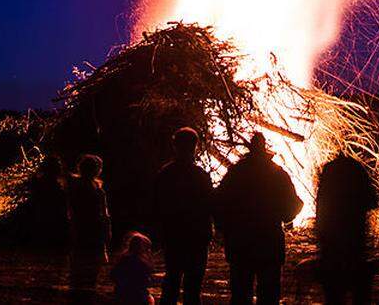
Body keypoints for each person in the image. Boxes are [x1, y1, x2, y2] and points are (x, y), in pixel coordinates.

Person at [214, 132, 302, 305]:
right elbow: (294, 204)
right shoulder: (277, 173)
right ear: (264, 149)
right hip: (269, 242)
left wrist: (223, 229)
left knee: (240, 293)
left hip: (241, 243)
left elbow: (218, 201)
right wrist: (287, 218)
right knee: (269, 294)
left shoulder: (236, 172)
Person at [152, 127, 213, 305]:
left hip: (173, 235)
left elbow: (156, 205)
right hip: (197, 237)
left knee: (171, 280)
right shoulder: (200, 175)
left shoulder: (165, 174)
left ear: (174, 146)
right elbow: (210, 204)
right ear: (195, 147)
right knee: (193, 287)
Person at [314, 152, 378, 305]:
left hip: (331, 241)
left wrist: (320, 233)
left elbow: (321, 207)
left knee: (334, 290)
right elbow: (372, 201)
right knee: (359, 287)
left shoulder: (329, 172)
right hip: (355, 238)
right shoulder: (357, 170)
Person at [68, 154, 112, 304]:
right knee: (91, 265)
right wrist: (107, 231)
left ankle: (79, 294)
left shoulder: (75, 187)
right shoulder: (97, 191)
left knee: (80, 264)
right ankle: (86, 293)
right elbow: (104, 214)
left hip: (82, 229)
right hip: (92, 229)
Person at [31, 154, 70, 253]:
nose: (60, 168)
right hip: (51, 218)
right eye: (58, 166)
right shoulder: (54, 186)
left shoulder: (40, 182)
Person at [111, 231, 156, 305]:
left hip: (121, 294)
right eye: (147, 249)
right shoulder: (141, 263)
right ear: (142, 248)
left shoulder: (123, 258)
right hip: (136, 295)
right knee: (150, 299)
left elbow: (113, 275)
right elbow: (145, 282)